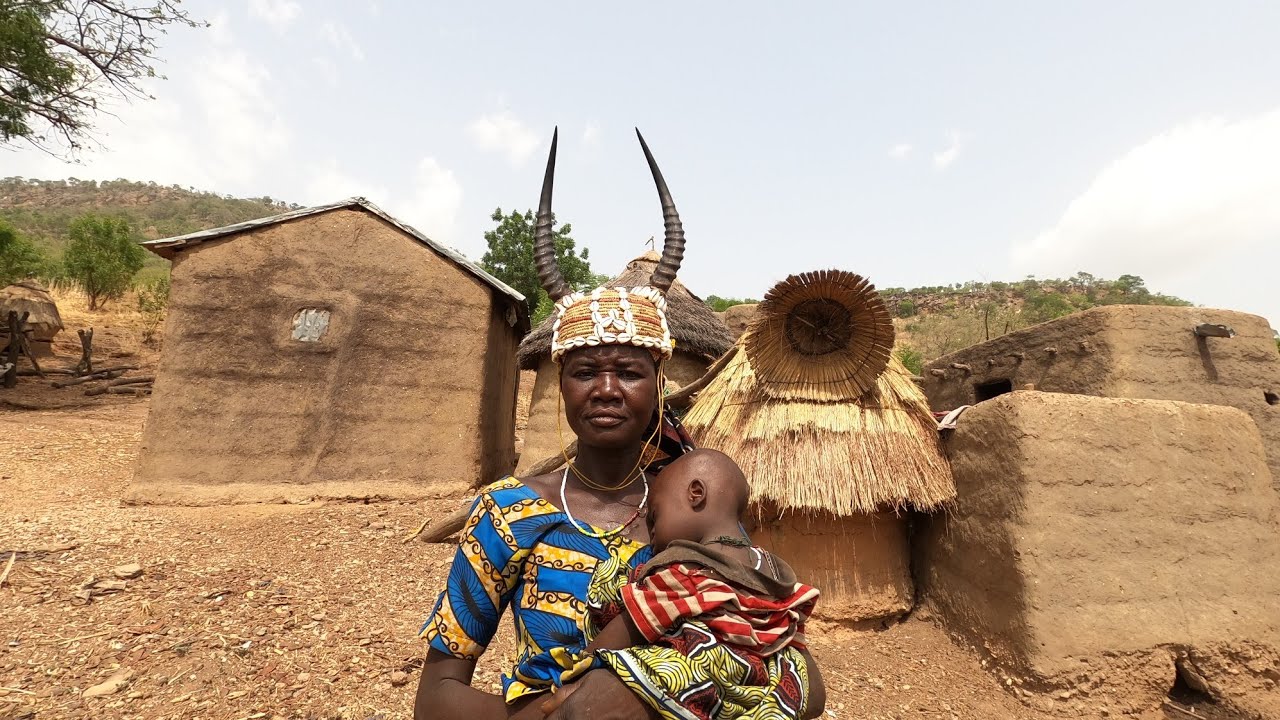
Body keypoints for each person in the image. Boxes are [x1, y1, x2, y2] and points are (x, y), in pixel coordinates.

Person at [413, 129, 825, 720]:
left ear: (658, 382)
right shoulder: (508, 514)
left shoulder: (688, 502)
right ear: (562, 383)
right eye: (585, 372)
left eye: (628, 372)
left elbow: (775, 641)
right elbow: (436, 696)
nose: (606, 390)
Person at [543, 449, 822, 720]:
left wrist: (583, 666)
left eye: (655, 516)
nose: (651, 533)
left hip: (690, 680)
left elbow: (633, 625)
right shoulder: (774, 575)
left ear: (696, 494)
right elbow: (793, 642)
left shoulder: (685, 571)